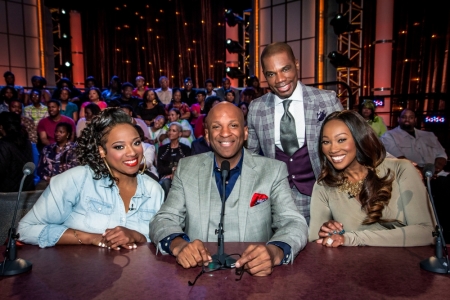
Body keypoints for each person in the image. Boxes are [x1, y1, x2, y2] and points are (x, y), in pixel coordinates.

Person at [149, 102, 307, 276]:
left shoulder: (272, 170)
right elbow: (163, 219)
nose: (225, 133)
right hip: (198, 278)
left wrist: (274, 252)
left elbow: (294, 223)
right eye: (217, 127)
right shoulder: (186, 168)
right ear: (207, 135)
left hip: (254, 282)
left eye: (233, 125)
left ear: (245, 132)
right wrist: (179, 246)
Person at [18, 108, 165, 248]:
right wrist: (90, 237)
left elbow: (162, 241)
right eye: (119, 147)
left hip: (138, 272)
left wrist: (137, 236)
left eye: (136, 143)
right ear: (102, 151)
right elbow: (24, 230)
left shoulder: (153, 190)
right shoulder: (77, 180)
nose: (132, 152)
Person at [247, 42, 343, 223]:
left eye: (285, 69)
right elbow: (251, 159)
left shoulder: (326, 101)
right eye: (271, 74)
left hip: (322, 200)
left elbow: (355, 142)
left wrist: (395, 164)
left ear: (296, 64)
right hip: (277, 204)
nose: (280, 79)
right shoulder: (257, 108)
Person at [308, 110, 435, 247]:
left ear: (359, 138)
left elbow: (428, 232)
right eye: (326, 142)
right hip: (354, 266)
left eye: (341, 140)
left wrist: (352, 238)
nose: (332, 149)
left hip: (404, 265)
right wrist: (328, 232)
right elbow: (315, 242)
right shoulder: (324, 185)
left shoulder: (400, 170)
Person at [380, 109, 447, 175]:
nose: (407, 119)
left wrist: (435, 169)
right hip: (410, 174)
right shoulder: (388, 136)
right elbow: (399, 158)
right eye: (404, 117)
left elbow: (442, 154)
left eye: (411, 117)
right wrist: (422, 172)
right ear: (398, 119)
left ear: (415, 119)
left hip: (437, 174)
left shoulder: (429, 135)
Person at [0, 112, 35, 192]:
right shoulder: (27, 142)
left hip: (7, 194)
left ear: (1, 127)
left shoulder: (3, 144)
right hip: (26, 191)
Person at [157, 122, 192, 198]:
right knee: (166, 183)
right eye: (169, 130)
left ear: (179, 134)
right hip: (165, 178)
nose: (170, 133)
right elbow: (160, 168)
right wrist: (171, 171)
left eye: (174, 131)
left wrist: (175, 173)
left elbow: (188, 167)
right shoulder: (162, 149)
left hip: (181, 178)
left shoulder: (185, 149)